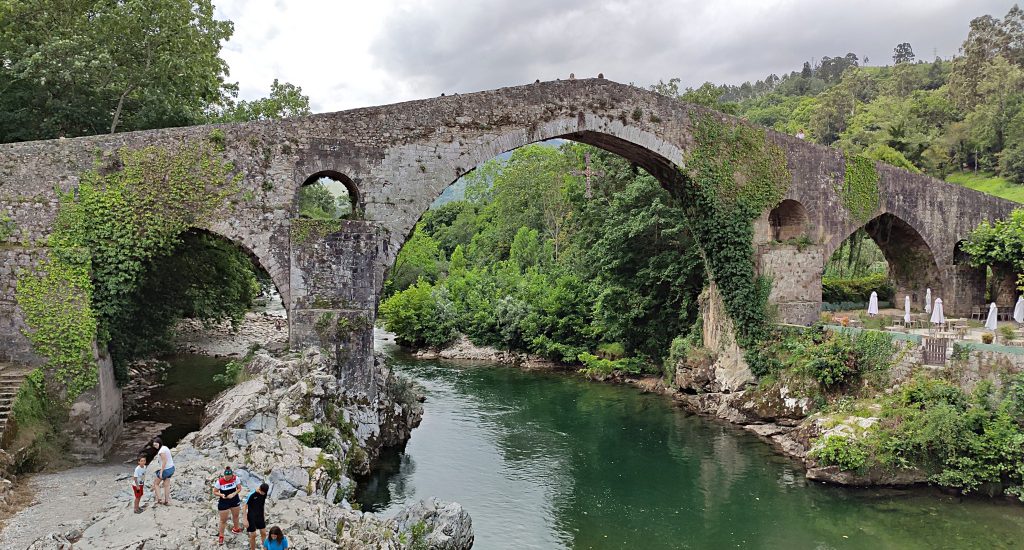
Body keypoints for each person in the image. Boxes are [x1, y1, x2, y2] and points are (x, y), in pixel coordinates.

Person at [213, 466, 243, 545]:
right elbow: (215, 491)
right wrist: (221, 494)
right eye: (227, 477)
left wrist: (233, 494)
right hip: (224, 501)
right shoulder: (220, 481)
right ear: (224, 475)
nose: (228, 478)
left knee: (236, 515)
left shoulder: (235, 478)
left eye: (230, 477)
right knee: (223, 520)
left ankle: (236, 529)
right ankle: (221, 536)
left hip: (234, 499)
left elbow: (239, 488)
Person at [242, 482, 270, 550]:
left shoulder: (264, 494)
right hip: (251, 516)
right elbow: (244, 507)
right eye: (262, 492)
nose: (263, 494)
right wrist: (245, 519)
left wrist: (263, 516)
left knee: (263, 533)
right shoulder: (252, 494)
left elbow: (262, 505)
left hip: (260, 516)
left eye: (264, 492)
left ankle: (265, 548)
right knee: (253, 535)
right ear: (260, 489)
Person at [150, 437, 175, 505]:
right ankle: (166, 501)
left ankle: (159, 500)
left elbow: (164, 461)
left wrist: (161, 472)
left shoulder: (161, 451)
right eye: (154, 445)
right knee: (166, 485)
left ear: (159, 443)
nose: (155, 446)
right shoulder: (165, 447)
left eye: (156, 445)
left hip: (166, 470)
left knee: (156, 483)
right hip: (171, 468)